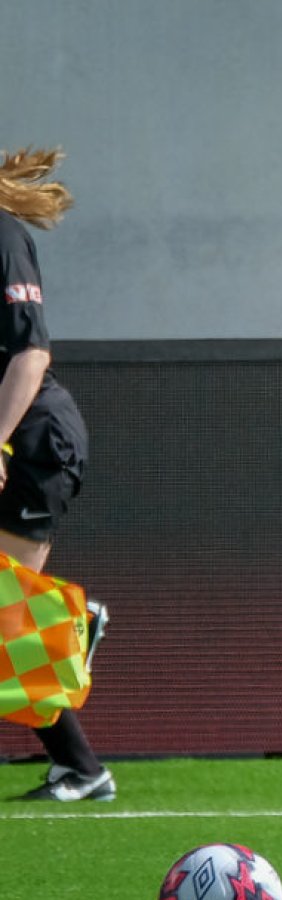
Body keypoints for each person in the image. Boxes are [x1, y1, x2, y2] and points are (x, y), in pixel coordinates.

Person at [0, 146, 112, 803]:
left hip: (38, 439)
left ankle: (72, 622)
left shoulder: (2, 235)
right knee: (8, 623)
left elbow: (30, 354)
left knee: (9, 616)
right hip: (23, 442)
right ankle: (81, 769)